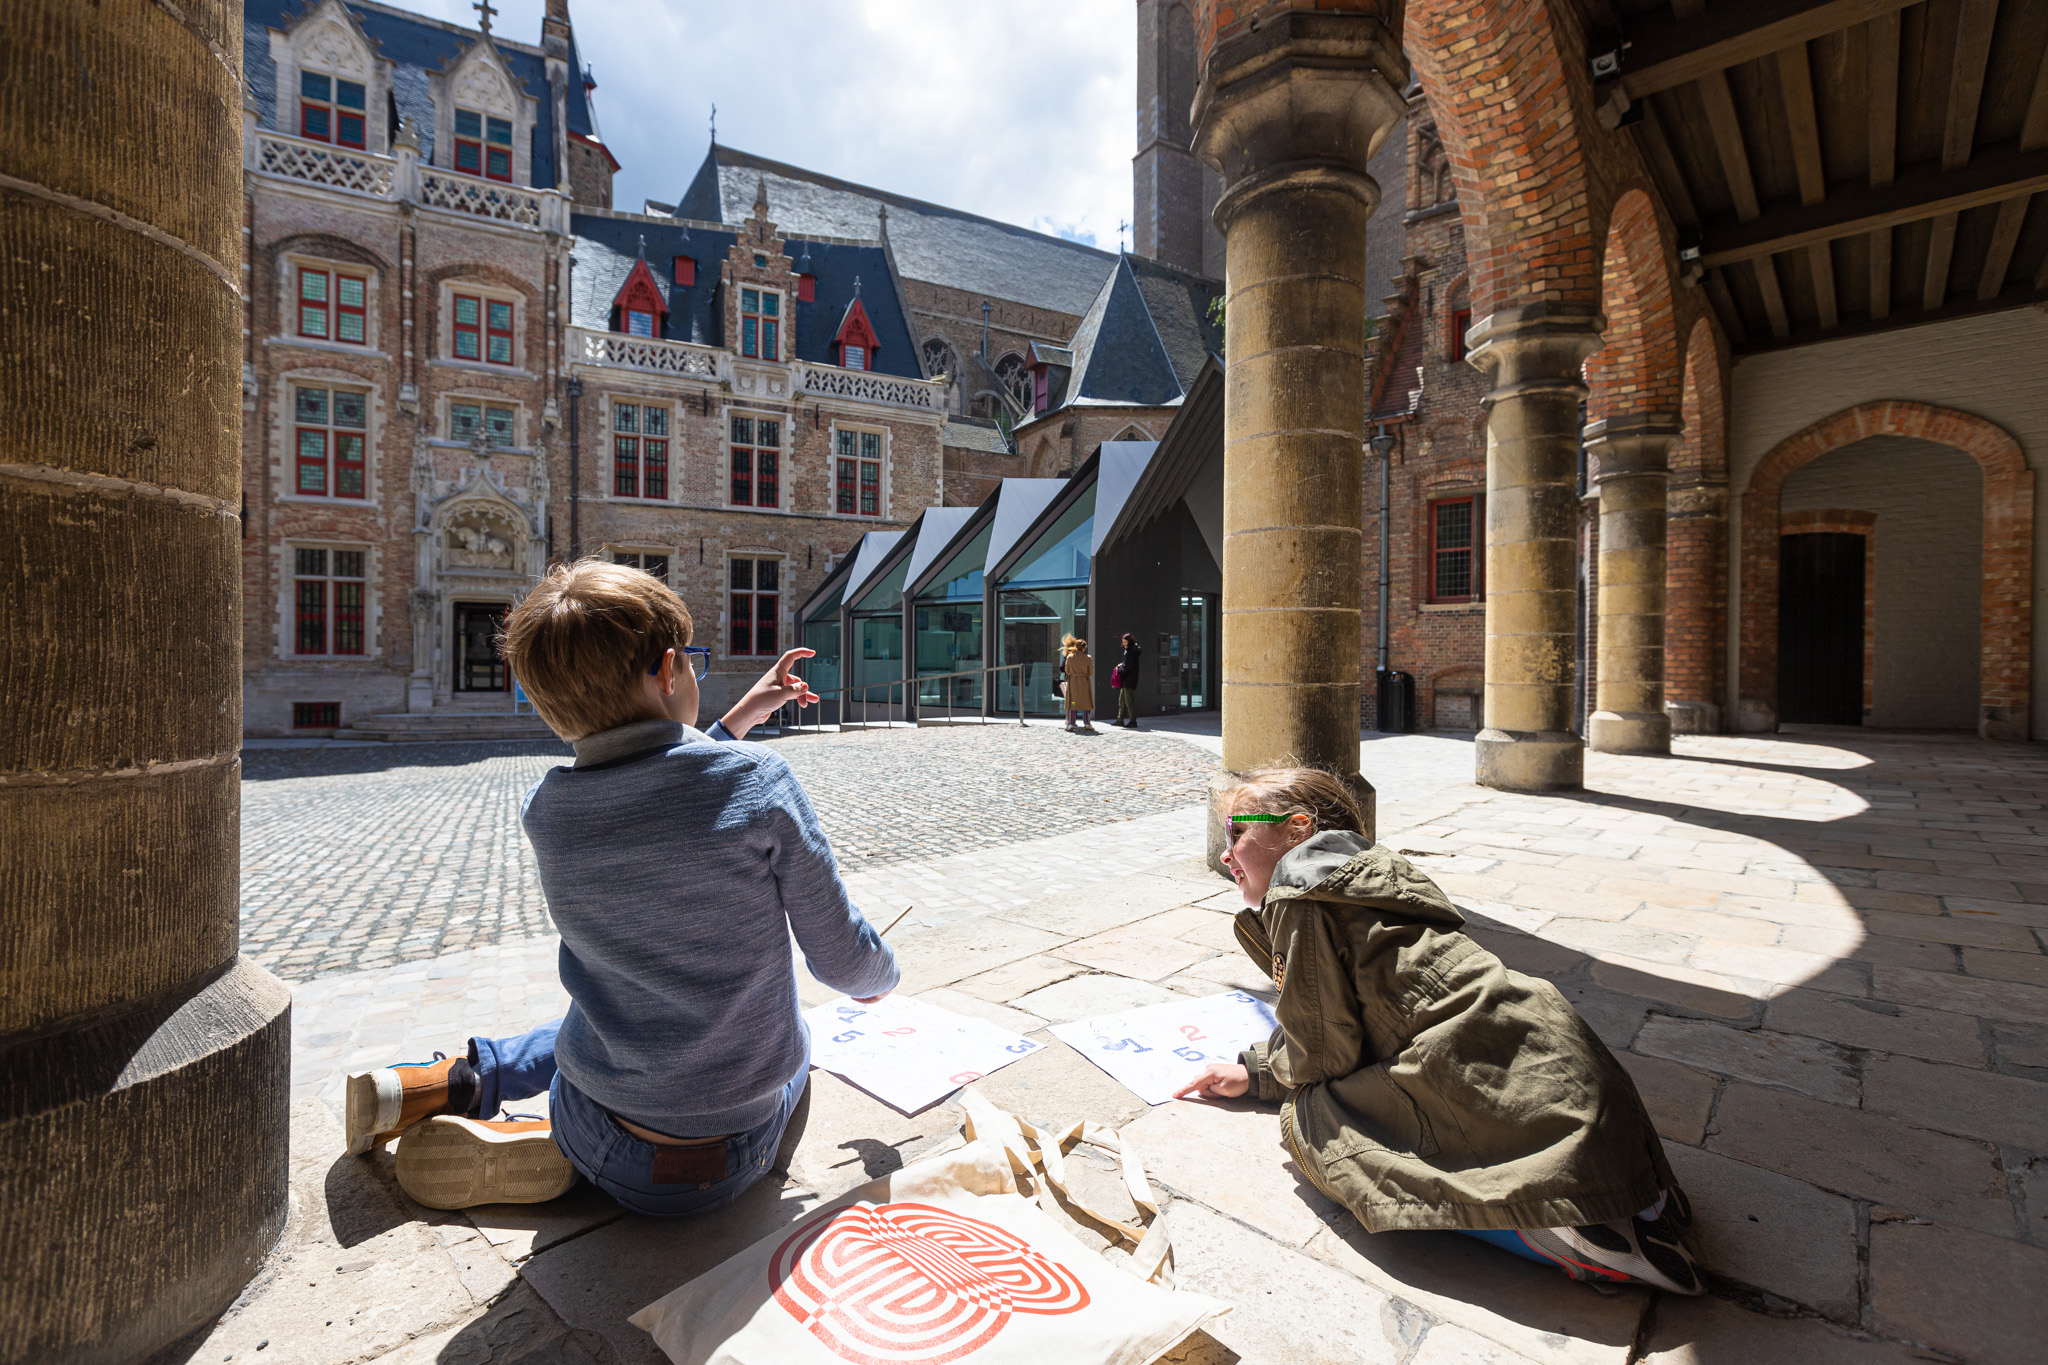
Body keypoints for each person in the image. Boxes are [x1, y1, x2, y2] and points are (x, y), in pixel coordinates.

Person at [342, 560, 899, 1216]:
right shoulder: (762, 782)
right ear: (668, 671)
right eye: (692, 660)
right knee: (792, 1037)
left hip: (600, 1127)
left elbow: (663, 788)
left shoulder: (547, 810)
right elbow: (841, 959)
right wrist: (880, 977)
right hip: (734, 1150)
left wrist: (742, 714)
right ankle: (535, 1143)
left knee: (609, 1016)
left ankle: (455, 1083)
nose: (696, 671)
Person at [1174, 767, 1703, 1294]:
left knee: (1311, 1118)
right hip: (1578, 1089)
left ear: (1295, 830)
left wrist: (1270, 1081)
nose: (1226, 853)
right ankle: (1634, 1205)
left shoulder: (1298, 895)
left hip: (1498, 1078)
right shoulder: (1374, 884)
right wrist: (1256, 1069)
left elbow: (1324, 1051)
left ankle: (1558, 1231)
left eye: (1236, 832)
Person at [1059, 634, 1095, 731]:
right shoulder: (1088, 657)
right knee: (1086, 702)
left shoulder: (1070, 657)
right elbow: (1091, 671)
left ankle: (1071, 723)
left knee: (1073, 702)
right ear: (1083, 648)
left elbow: (1067, 670)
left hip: (1073, 682)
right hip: (1084, 682)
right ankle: (1087, 722)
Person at [1113, 632, 1142, 728]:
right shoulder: (1131, 651)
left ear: (1129, 642)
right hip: (1127, 680)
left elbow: (1128, 666)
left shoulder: (1131, 652)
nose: (1124, 644)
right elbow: (1127, 664)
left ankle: (1133, 721)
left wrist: (1120, 670)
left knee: (1128, 702)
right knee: (1122, 701)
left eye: (1125, 642)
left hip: (1128, 680)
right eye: (1123, 642)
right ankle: (1119, 719)